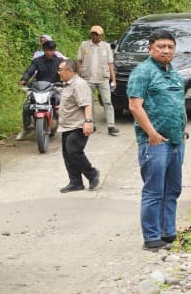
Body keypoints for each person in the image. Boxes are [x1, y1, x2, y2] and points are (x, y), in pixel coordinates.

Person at [126, 29, 186, 250]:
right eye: (161, 46)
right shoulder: (142, 72)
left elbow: (179, 104)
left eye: (170, 47)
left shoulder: (176, 75)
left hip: (176, 141)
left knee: (172, 189)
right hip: (154, 143)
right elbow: (135, 105)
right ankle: (151, 237)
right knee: (154, 190)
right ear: (150, 48)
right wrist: (151, 132)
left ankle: (168, 233)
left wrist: (183, 129)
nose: (166, 50)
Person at [55, 59, 100, 193]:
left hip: (78, 125)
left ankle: (92, 174)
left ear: (69, 71)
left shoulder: (79, 84)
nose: (58, 73)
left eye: (60, 70)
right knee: (67, 154)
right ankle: (75, 182)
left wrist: (88, 122)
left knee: (74, 151)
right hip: (67, 125)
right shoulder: (67, 84)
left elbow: (87, 104)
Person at [16, 39, 65, 140]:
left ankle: (62, 125)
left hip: (55, 87)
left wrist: (64, 82)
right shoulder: (37, 61)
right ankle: (27, 127)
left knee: (60, 103)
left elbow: (65, 72)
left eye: (51, 50)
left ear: (54, 50)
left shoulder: (60, 61)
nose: (49, 52)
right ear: (43, 49)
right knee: (27, 106)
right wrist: (24, 79)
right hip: (38, 88)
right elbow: (29, 71)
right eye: (47, 50)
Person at [77, 24, 118, 135]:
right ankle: (91, 124)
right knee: (89, 103)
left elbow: (110, 63)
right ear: (91, 34)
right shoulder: (84, 45)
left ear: (101, 36)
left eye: (97, 34)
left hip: (103, 78)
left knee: (108, 102)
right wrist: (79, 77)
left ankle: (111, 126)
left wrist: (113, 79)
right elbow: (79, 61)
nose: (95, 36)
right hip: (87, 78)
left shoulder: (106, 46)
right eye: (93, 34)